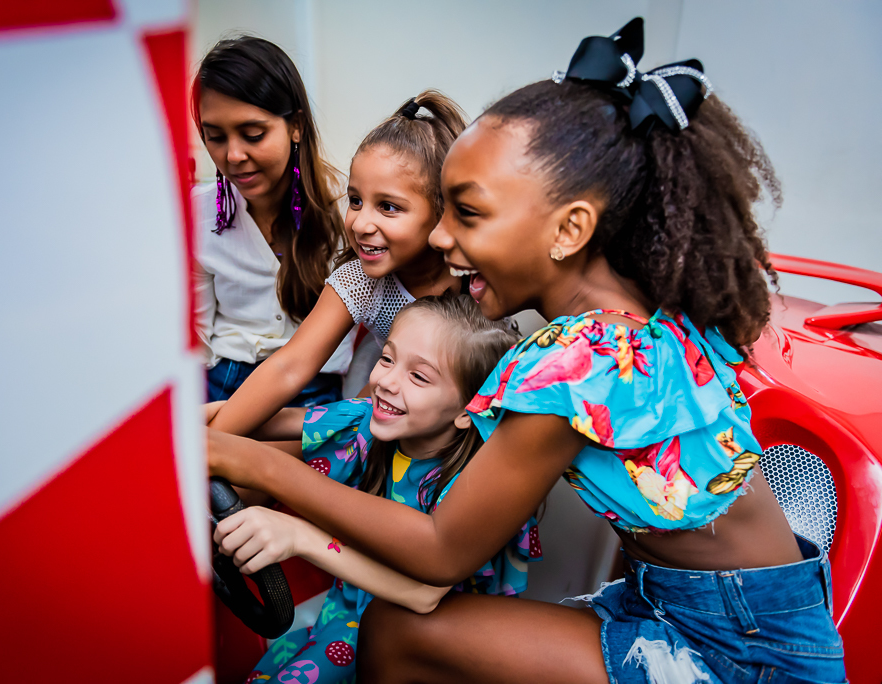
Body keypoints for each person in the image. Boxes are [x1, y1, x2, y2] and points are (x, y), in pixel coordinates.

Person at [206, 18, 847, 684]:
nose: (444, 239)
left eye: (468, 214)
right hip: (683, 606)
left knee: (399, 633)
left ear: (570, 228)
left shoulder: (586, 366)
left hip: (743, 650)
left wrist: (254, 462)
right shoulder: (634, 318)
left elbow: (440, 551)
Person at [210, 294, 540, 684]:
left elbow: (423, 594)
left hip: (415, 644)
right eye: (387, 358)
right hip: (341, 617)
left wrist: (300, 536)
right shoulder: (367, 420)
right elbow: (251, 418)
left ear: (468, 412)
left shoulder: (471, 485)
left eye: (418, 376)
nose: (385, 382)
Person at [207, 90, 468, 436]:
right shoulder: (359, 280)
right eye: (356, 200)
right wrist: (212, 445)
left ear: (442, 211)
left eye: (388, 206)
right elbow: (289, 367)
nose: (359, 224)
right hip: (383, 413)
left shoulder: (478, 279)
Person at [192, 36, 352, 406]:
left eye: (253, 135)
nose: (233, 155)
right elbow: (196, 339)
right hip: (222, 382)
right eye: (214, 137)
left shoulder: (348, 209)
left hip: (314, 388)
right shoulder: (198, 215)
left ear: (296, 125)